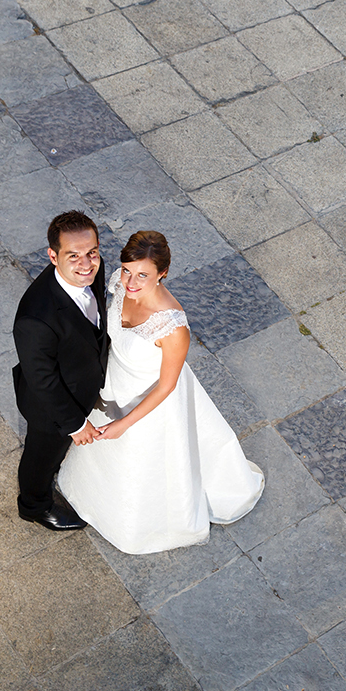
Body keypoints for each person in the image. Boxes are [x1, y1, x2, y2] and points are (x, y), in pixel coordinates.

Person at [56, 230, 264, 554]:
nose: (131, 282)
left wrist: (124, 424)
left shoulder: (173, 327)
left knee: (140, 460)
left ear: (162, 274)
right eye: (127, 270)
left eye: (143, 275)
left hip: (150, 401)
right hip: (112, 384)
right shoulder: (121, 284)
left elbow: (167, 386)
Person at [13, 210, 108, 531]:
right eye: (74, 256)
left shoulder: (94, 269)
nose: (87, 264)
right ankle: (34, 506)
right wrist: (75, 424)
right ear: (53, 256)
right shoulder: (35, 319)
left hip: (81, 381)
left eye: (92, 252)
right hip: (51, 409)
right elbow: (43, 379)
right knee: (41, 458)